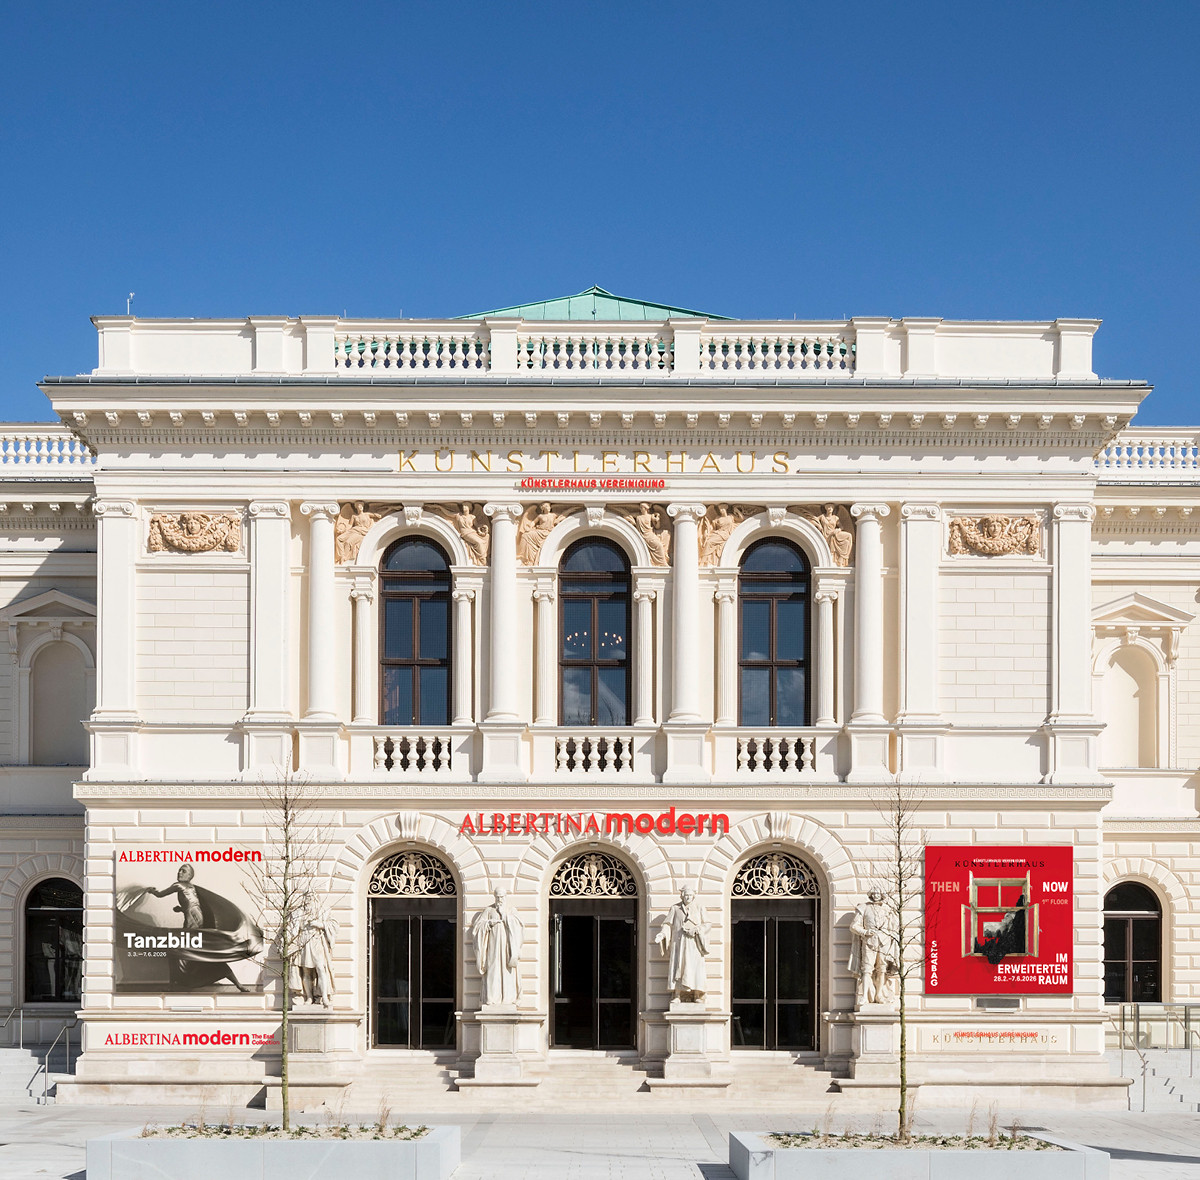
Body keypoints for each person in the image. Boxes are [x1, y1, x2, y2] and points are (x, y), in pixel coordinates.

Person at [656, 885, 711, 1002]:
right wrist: (662, 934)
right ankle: (677, 994)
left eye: (690, 895)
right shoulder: (675, 908)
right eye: (686, 895)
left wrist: (696, 930)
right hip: (679, 944)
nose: (688, 897)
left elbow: (707, 924)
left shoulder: (700, 907)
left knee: (695, 968)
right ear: (682, 896)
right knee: (678, 967)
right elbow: (667, 924)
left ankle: (697, 994)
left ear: (693, 896)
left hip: (694, 944)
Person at [471, 887, 524, 1005]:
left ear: (506, 897)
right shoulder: (489, 911)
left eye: (502, 897)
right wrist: (489, 923)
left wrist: (504, 916)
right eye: (497, 897)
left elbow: (519, 927)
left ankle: (508, 999)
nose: (500, 899)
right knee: (492, 970)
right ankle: (491, 998)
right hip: (493, 947)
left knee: (507, 972)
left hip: (507, 949)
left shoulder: (511, 910)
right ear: (494, 897)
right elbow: (477, 928)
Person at [848, 887, 897, 1007]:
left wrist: (889, 935)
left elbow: (894, 927)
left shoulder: (888, 910)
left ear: (882, 894)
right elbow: (854, 926)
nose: (876, 895)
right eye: (874, 893)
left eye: (878, 893)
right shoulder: (863, 908)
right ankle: (864, 996)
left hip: (884, 942)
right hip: (869, 941)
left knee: (882, 969)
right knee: (866, 969)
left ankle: (879, 994)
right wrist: (865, 932)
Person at [289, 892, 338, 1006]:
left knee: (321, 968)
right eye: (307, 897)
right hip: (303, 941)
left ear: (316, 898)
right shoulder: (298, 913)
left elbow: (333, 925)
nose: (309, 899)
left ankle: (324, 996)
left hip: (316, 941)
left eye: (311, 896)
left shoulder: (323, 911)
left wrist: (319, 924)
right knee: (306, 971)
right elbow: (293, 929)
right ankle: (309, 997)